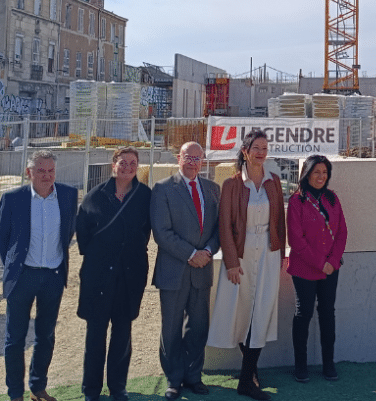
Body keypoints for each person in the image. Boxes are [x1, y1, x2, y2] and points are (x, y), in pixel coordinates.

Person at [207, 130, 285, 401]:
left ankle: (246, 377)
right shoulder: (231, 185)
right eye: (256, 148)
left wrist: (279, 256)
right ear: (245, 151)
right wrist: (230, 261)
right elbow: (225, 226)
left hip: (267, 251)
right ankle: (248, 373)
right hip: (240, 255)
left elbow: (280, 223)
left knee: (261, 310)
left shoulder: (274, 181)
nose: (261, 152)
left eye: (265, 147)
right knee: (240, 313)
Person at [0, 150, 78, 401]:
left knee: (45, 335)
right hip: (22, 277)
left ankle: (37, 387)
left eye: (51, 171)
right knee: (15, 339)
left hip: (53, 276)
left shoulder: (67, 195)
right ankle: (14, 394)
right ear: (29, 172)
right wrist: (12, 268)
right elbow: (3, 240)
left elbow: (68, 233)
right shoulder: (13, 199)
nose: (47, 176)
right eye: (41, 170)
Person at [76, 147, 151, 401]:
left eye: (133, 163)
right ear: (113, 164)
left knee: (122, 334)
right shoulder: (95, 196)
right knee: (95, 335)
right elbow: (83, 237)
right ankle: (91, 390)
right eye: (123, 162)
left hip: (130, 276)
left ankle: (118, 387)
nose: (128, 167)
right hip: (98, 276)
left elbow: (146, 233)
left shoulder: (145, 196)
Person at [151, 142, 221, 400]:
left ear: (203, 161)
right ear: (178, 158)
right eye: (188, 157)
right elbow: (162, 232)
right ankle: (174, 378)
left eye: (197, 158)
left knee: (198, 326)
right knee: (171, 328)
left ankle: (194, 376)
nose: (193, 162)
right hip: (174, 270)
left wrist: (208, 252)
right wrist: (191, 254)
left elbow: (218, 229)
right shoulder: (163, 189)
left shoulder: (213, 189)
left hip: (202, 270)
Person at [287, 155, 348, 382]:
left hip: (330, 269)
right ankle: (300, 366)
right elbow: (296, 239)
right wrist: (320, 263)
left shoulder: (333, 199)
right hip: (305, 268)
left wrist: (332, 262)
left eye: (324, 172)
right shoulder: (297, 201)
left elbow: (342, 232)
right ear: (306, 174)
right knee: (303, 314)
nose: (321, 177)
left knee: (327, 314)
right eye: (316, 172)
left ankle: (328, 364)